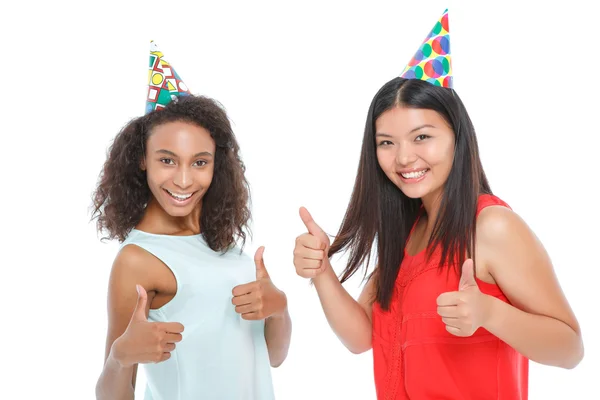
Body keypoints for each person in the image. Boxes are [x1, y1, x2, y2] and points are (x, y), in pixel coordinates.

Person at [292, 10, 583, 400]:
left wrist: (490, 314)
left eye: (422, 136)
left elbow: (570, 350)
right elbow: (362, 337)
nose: (404, 158)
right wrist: (322, 271)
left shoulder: (492, 226)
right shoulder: (410, 231)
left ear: (457, 137)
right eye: (386, 143)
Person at [93, 42, 290, 400]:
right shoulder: (137, 259)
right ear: (142, 160)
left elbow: (272, 357)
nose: (183, 181)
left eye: (199, 162)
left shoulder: (223, 243)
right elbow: (111, 396)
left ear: (217, 165)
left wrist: (279, 309)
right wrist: (120, 359)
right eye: (167, 160)